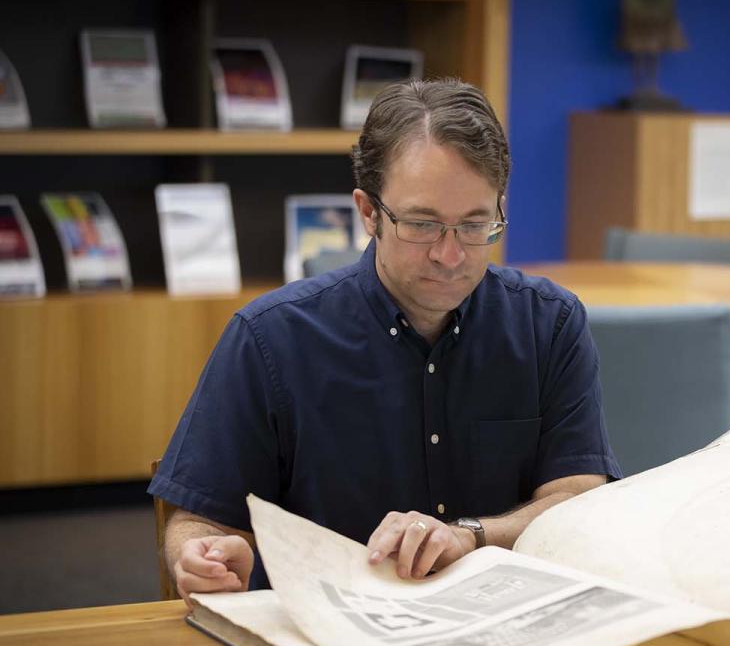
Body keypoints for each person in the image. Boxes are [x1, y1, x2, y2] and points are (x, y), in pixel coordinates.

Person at [149, 79, 621, 601]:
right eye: (422, 224)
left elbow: (577, 498)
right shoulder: (270, 339)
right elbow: (198, 519)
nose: (450, 255)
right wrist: (203, 555)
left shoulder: (548, 324)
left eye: (474, 225)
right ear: (368, 212)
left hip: (500, 616)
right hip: (325, 626)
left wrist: (471, 536)